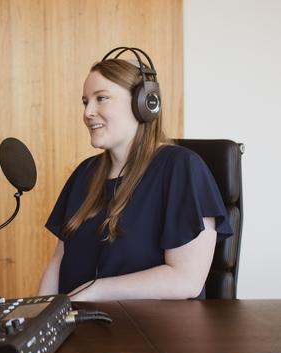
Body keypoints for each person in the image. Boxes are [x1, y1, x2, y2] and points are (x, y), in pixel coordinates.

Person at [37, 47, 232, 301]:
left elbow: (186, 280)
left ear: (144, 104)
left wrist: (96, 290)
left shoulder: (182, 168)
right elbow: (58, 261)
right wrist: (36, 318)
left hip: (152, 334)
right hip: (83, 329)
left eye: (101, 98)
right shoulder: (84, 174)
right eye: (86, 101)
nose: (87, 113)